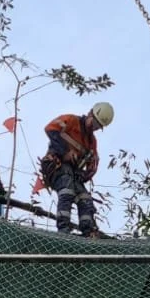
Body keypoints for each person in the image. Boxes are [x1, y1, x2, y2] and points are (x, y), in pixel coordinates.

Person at [42, 101, 114, 236]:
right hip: (55, 164)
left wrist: (84, 175)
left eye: (99, 127)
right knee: (67, 190)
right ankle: (63, 229)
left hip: (72, 172)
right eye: (95, 123)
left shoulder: (92, 141)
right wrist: (64, 152)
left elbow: (93, 164)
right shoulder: (71, 120)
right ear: (90, 114)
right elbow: (50, 129)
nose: (95, 128)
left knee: (85, 199)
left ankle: (88, 231)